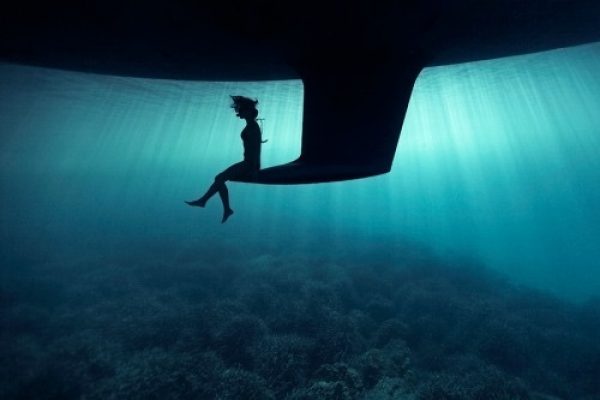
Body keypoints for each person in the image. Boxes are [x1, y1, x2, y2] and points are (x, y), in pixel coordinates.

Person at [186, 96, 262, 223]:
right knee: (219, 178)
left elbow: (255, 148)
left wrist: (254, 169)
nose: (238, 111)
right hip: (248, 163)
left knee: (220, 178)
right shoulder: (251, 125)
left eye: (240, 109)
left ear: (248, 111)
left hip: (249, 164)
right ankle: (220, 207)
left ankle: (207, 202)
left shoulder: (252, 127)